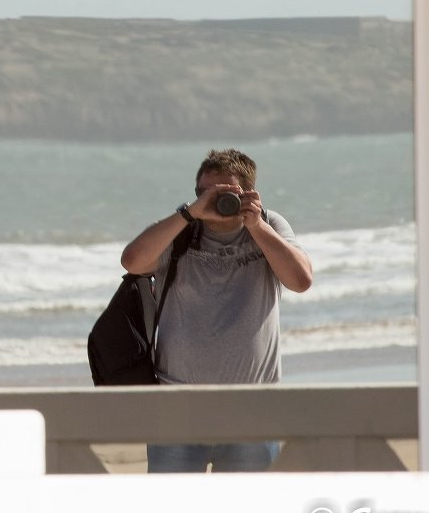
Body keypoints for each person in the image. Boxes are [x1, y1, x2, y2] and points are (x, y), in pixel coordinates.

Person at [119, 148, 312, 473]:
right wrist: (188, 213)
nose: (214, 201)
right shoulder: (179, 229)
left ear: (249, 193)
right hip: (177, 407)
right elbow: (132, 261)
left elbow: (300, 280)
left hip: (252, 407)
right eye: (205, 192)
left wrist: (256, 226)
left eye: (227, 193)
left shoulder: (269, 224)